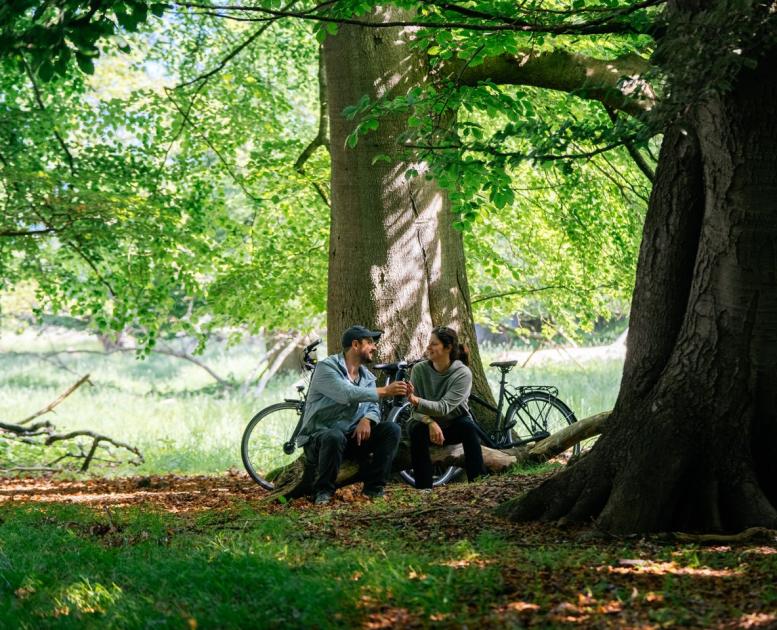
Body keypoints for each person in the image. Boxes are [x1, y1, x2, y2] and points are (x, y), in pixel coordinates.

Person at [297, 325, 408, 505]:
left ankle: (374, 489)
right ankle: (323, 491)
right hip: (319, 439)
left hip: (350, 438)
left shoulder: (368, 377)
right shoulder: (326, 368)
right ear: (355, 345)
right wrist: (386, 391)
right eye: (370, 342)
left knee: (392, 429)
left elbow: (373, 407)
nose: (375, 347)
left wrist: (367, 419)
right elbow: (346, 394)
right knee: (334, 436)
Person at [407, 326, 486, 489]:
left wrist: (415, 400)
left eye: (434, 344)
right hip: (427, 425)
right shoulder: (419, 370)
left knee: (469, 427)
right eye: (429, 343)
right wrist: (430, 423)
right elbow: (415, 412)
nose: (428, 347)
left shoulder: (462, 373)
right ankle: (424, 489)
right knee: (416, 430)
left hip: (454, 424)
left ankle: (479, 485)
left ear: (448, 347)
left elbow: (443, 407)